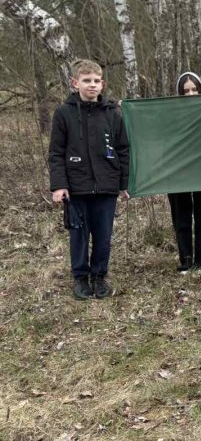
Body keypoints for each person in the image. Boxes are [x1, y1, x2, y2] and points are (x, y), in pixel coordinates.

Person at [49, 59, 129, 300]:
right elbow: (56, 152)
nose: (92, 85)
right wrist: (59, 185)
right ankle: (81, 278)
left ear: (102, 84)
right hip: (77, 188)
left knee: (103, 236)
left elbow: (123, 150)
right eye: (86, 80)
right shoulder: (64, 113)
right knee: (79, 236)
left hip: (107, 186)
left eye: (96, 81)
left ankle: (99, 276)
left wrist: (123, 184)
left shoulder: (112, 114)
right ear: (75, 83)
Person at [167, 72, 201, 274]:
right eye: (186, 91)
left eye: (194, 90)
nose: (190, 94)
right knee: (181, 217)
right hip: (178, 171)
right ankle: (186, 260)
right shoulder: (171, 114)